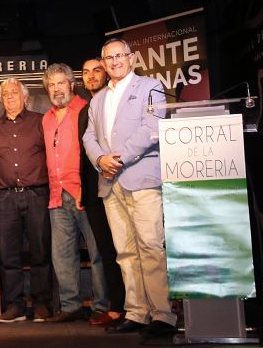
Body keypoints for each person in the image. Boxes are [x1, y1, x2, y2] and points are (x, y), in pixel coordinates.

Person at [82, 38, 177, 338]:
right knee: (124, 251)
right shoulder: (97, 100)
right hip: (110, 183)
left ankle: (162, 315)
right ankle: (136, 312)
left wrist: (118, 158)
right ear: (103, 63)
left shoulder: (150, 87)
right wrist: (100, 158)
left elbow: (152, 129)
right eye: (108, 58)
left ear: (132, 58)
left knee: (150, 246)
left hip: (142, 178)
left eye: (119, 56)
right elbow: (88, 137)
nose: (114, 62)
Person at [41, 63, 106, 323]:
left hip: (85, 193)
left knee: (98, 251)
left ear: (71, 84)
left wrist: (85, 188)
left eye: (60, 83)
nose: (57, 89)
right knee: (62, 255)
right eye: (51, 85)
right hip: (57, 195)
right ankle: (71, 306)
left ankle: (102, 305)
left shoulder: (87, 109)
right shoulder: (45, 118)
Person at [0, 77, 52, 323]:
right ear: (1, 99)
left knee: (40, 251)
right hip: (5, 198)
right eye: (5, 94)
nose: (10, 97)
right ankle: (15, 305)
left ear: (25, 97)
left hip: (37, 194)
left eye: (14, 93)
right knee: (8, 255)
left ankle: (42, 303)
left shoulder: (40, 122)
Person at [80, 58, 125, 327]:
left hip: (122, 182)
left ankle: (138, 308)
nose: (91, 76)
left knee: (130, 250)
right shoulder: (83, 111)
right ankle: (117, 307)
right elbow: (82, 154)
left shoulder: (116, 104)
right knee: (107, 252)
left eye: (96, 70)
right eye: (85, 73)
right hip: (95, 193)